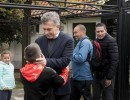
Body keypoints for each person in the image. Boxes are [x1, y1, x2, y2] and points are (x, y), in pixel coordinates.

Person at [35, 11, 74, 100]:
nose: (45, 32)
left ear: (57, 27)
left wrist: (46, 61)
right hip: (44, 88)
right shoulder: (39, 41)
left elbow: (65, 61)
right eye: (44, 29)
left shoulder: (68, 40)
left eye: (49, 29)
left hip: (61, 89)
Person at [92, 23, 119, 100]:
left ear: (106, 30)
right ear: (95, 32)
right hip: (97, 74)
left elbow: (114, 61)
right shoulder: (95, 41)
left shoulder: (111, 41)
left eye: (101, 31)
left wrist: (109, 77)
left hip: (106, 75)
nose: (100, 33)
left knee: (107, 97)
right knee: (95, 96)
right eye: (98, 31)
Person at [70, 24, 93, 100]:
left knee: (86, 98)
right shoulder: (81, 42)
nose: (74, 35)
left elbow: (81, 58)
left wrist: (70, 54)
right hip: (77, 77)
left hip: (83, 78)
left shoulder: (85, 42)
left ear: (83, 32)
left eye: (76, 32)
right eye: (74, 33)